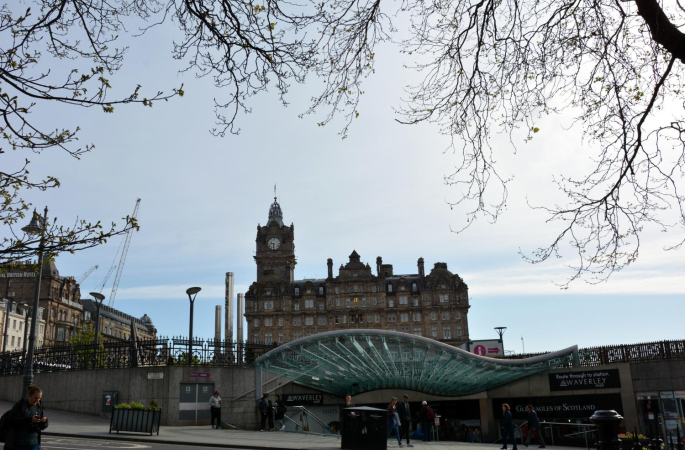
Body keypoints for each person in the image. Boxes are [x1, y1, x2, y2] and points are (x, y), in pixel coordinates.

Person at [3, 384, 49, 450]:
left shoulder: (39, 407)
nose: (37, 400)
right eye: (35, 398)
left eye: (39, 398)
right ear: (29, 396)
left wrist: (44, 421)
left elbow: (43, 426)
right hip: (18, 443)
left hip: (33, 443)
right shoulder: (20, 406)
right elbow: (11, 420)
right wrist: (30, 420)